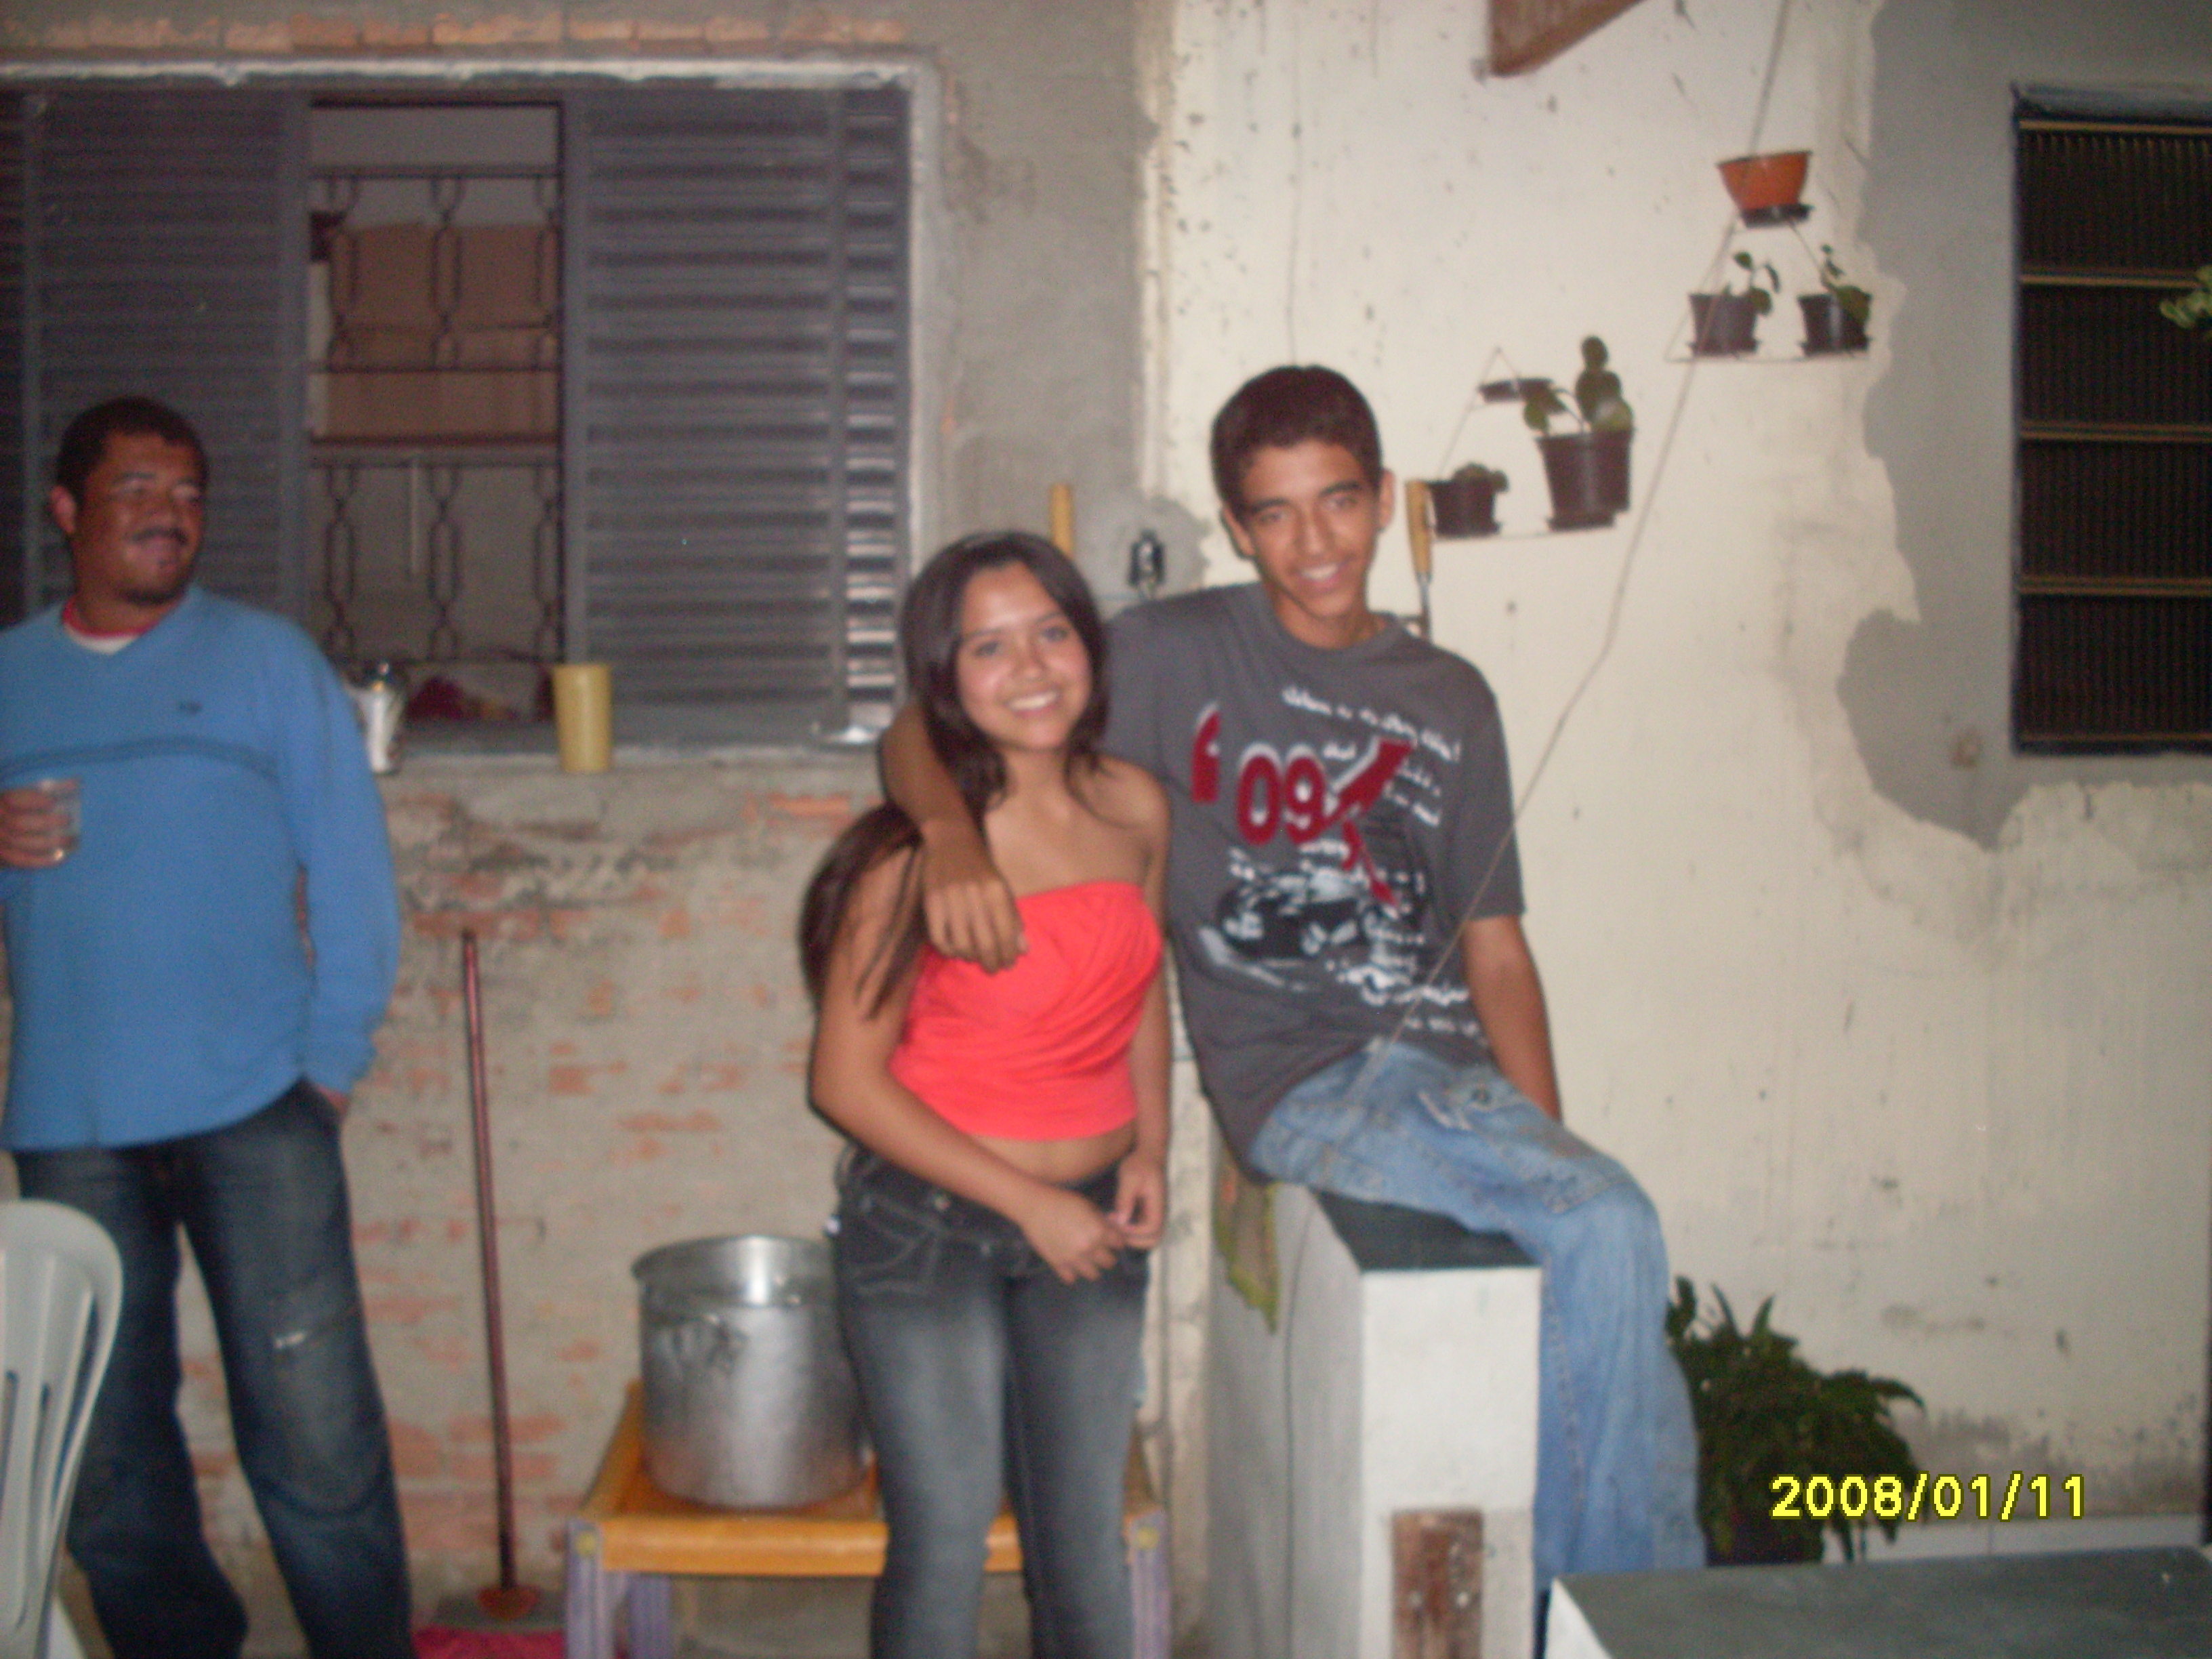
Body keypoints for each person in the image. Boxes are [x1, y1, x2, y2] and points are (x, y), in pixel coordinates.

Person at [883, 367, 1704, 1609]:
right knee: (1609, 1226)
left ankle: (1613, 1606)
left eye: (1338, 502)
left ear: (1383, 499)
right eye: (1275, 513)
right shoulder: (1168, 653)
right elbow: (928, 721)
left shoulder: (1450, 697)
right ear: (1237, 525)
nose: (1314, 542)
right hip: (1309, 1078)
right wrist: (947, 834)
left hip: (1449, 1085)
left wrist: (1547, 1148)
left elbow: (1496, 951)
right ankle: (1612, 1624)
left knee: (1611, 1280)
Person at [0, 397, 412, 1659]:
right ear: (66, 511)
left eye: (187, 494)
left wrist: (327, 1071)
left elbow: (355, 878)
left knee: (319, 1447)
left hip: (257, 1112)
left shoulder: (267, 661)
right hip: (71, 1123)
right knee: (107, 1460)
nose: (168, 515)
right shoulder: (10, 676)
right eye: (135, 489)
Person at [802, 530, 1170, 1659]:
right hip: (931, 1227)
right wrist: (1029, 1203)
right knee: (945, 1541)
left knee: (1085, 1548)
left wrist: (1152, 1148)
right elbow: (844, 1083)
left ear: (1090, 644)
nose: (1031, 667)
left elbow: (1144, 989)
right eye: (989, 647)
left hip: (1095, 1224)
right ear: (947, 678)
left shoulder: (1135, 807)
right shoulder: (913, 857)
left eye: (1052, 632)